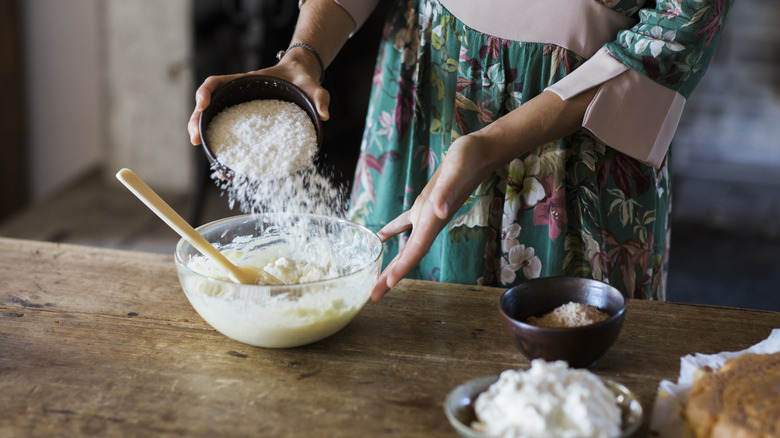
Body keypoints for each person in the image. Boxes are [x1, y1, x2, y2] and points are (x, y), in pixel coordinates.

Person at [188, 0, 733, 303]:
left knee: (566, 389)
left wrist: (490, 144)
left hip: (577, 144)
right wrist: (304, 53)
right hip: (423, 103)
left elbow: (677, 28)